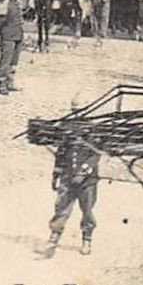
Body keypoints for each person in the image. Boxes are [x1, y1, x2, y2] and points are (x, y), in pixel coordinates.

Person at [46, 108, 101, 256]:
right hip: (68, 177)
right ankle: (54, 237)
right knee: (61, 207)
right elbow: (61, 153)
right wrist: (56, 174)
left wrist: (83, 172)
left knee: (87, 210)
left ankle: (87, 239)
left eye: (80, 111)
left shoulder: (92, 130)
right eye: (75, 111)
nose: (77, 114)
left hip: (87, 181)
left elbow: (95, 155)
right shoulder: (68, 128)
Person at [0, 0, 26, 93]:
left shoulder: (19, 3)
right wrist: (4, 33)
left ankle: (10, 81)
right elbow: (0, 22)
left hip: (18, 35)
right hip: (8, 36)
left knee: (14, 62)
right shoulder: (5, 3)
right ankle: (1, 83)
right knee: (5, 61)